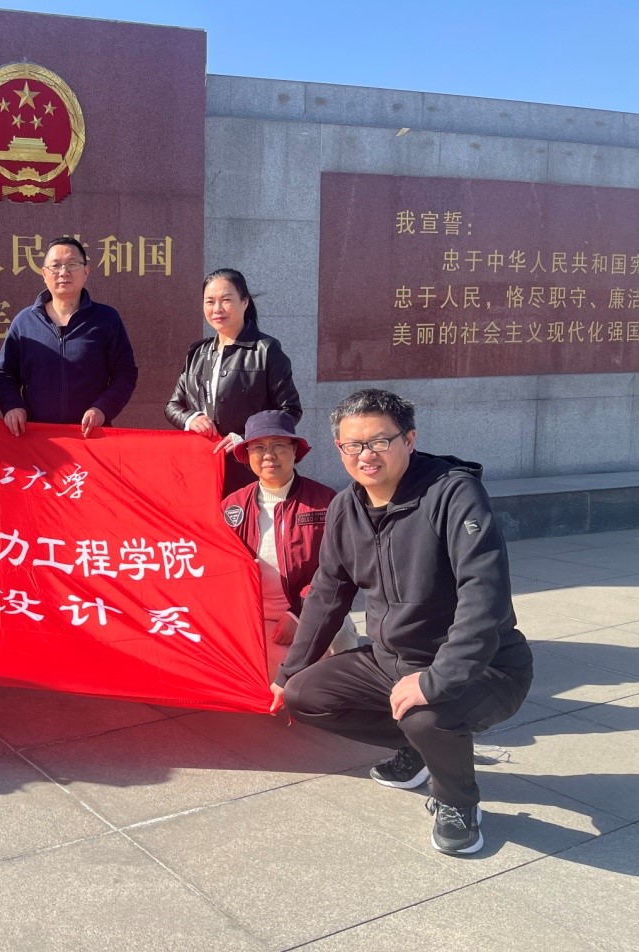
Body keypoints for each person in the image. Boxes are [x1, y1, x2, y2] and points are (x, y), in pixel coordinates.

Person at [270, 389, 533, 855]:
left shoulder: (453, 493)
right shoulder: (345, 508)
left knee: (425, 712)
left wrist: (437, 680)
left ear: (409, 439)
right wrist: (289, 672)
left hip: (487, 666)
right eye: (353, 445)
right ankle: (419, 749)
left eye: (380, 441)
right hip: (390, 660)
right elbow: (328, 594)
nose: (366, 455)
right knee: (304, 696)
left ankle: (458, 802)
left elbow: (484, 595)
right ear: (339, 448)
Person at [221, 410, 357, 681]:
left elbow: (341, 567)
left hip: (314, 606)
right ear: (247, 455)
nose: (268, 455)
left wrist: (299, 613)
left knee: (340, 660)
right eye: (258, 447)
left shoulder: (326, 501)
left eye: (278, 445)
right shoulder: (231, 506)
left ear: (295, 450)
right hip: (254, 613)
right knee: (258, 676)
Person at [165, 268, 301, 493]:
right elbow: (173, 406)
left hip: (249, 468)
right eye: (210, 301)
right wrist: (191, 418)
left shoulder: (266, 350)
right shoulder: (197, 352)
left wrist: (246, 439)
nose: (217, 309)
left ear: (244, 302)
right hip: (202, 465)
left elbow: (290, 410)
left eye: (226, 300)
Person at [0, 236, 138, 437]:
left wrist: (102, 409)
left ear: (86, 271)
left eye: (72, 264)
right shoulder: (24, 322)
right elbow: (3, 373)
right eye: (55, 266)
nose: (63, 272)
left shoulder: (106, 319)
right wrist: (12, 405)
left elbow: (125, 373)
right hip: (36, 437)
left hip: (91, 436)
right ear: (44, 274)